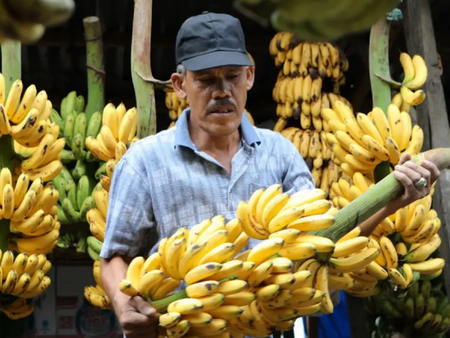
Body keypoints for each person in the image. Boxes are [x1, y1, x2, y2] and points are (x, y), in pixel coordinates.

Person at [99, 12, 441, 338]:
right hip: (180, 329)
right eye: (205, 80)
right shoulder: (145, 161)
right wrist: (123, 304)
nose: (222, 91)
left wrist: (392, 202)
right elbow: (115, 255)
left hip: (268, 326)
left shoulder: (279, 153)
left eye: (232, 76)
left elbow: (323, 240)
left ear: (249, 76)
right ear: (180, 85)